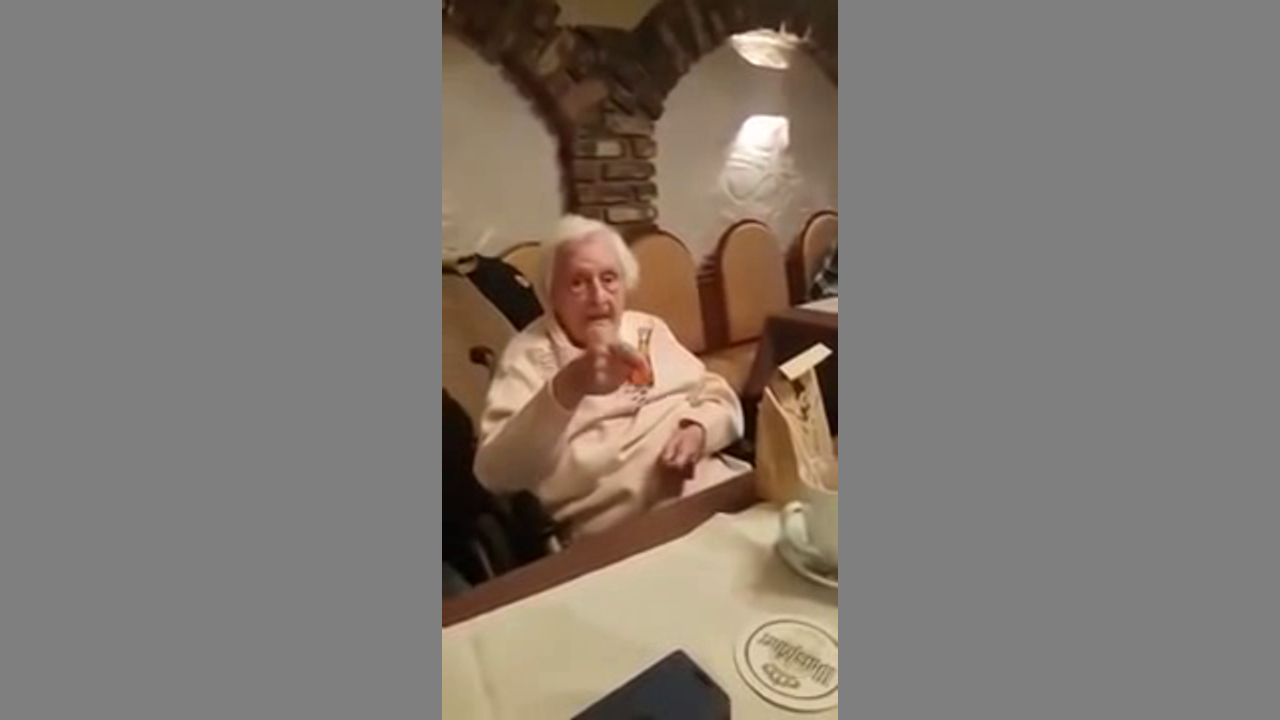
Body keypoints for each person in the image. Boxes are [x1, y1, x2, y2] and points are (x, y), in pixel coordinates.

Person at [474, 216, 748, 539]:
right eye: (578, 283)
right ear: (551, 295)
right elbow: (495, 473)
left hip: (718, 494)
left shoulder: (648, 329)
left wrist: (699, 430)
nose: (599, 297)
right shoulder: (527, 355)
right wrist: (568, 387)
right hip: (628, 533)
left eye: (609, 279)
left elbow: (717, 395)